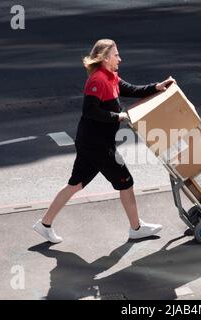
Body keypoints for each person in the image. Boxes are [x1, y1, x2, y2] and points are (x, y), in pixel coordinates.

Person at [33, 39, 176, 243]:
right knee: (125, 181)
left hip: (92, 142)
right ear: (106, 58)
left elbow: (132, 90)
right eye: (116, 54)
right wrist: (118, 116)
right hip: (97, 144)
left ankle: (44, 224)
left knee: (75, 184)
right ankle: (136, 228)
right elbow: (90, 111)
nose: (120, 58)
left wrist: (157, 86)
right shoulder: (97, 80)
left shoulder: (111, 77)